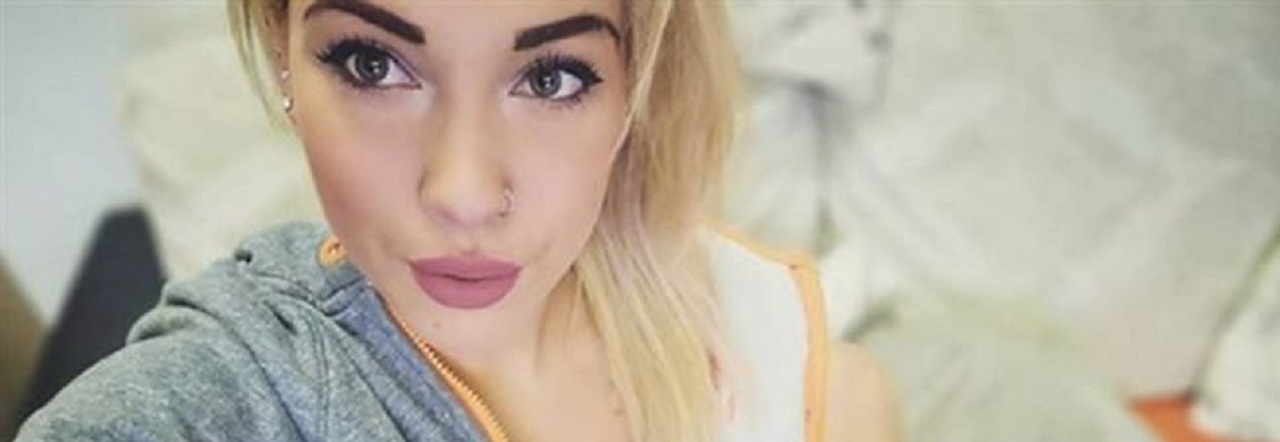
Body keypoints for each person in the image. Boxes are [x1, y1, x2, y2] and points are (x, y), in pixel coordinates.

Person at [17, 0, 898, 441]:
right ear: (284, 51)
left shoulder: (807, 383)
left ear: (638, 83)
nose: (466, 194)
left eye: (551, 78)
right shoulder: (231, 388)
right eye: (372, 65)